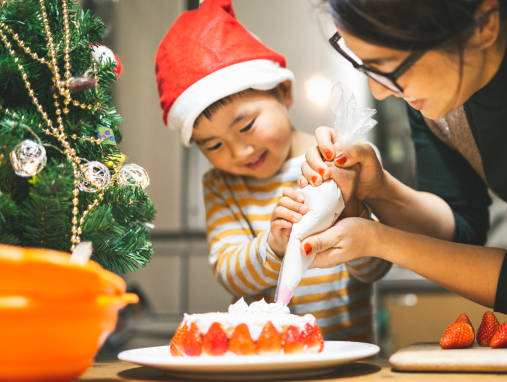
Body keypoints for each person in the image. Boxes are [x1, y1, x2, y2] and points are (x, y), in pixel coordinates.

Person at [300, 0, 507, 340]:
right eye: (366, 66)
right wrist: (379, 190)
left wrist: (376, 240)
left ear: (483, 25)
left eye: (387, 66)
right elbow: (461, 228)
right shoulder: (435, 90)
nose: (380, 90)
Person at [154, 0, 390, 341]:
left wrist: (352, 214)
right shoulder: (221, 185)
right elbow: (230, 273)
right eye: (214, 145)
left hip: (347, 353)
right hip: (266, 356)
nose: (239, 151)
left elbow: (376, 268)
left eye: (246, 126)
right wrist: (274, 245)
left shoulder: (340, 160)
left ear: (285, 92)